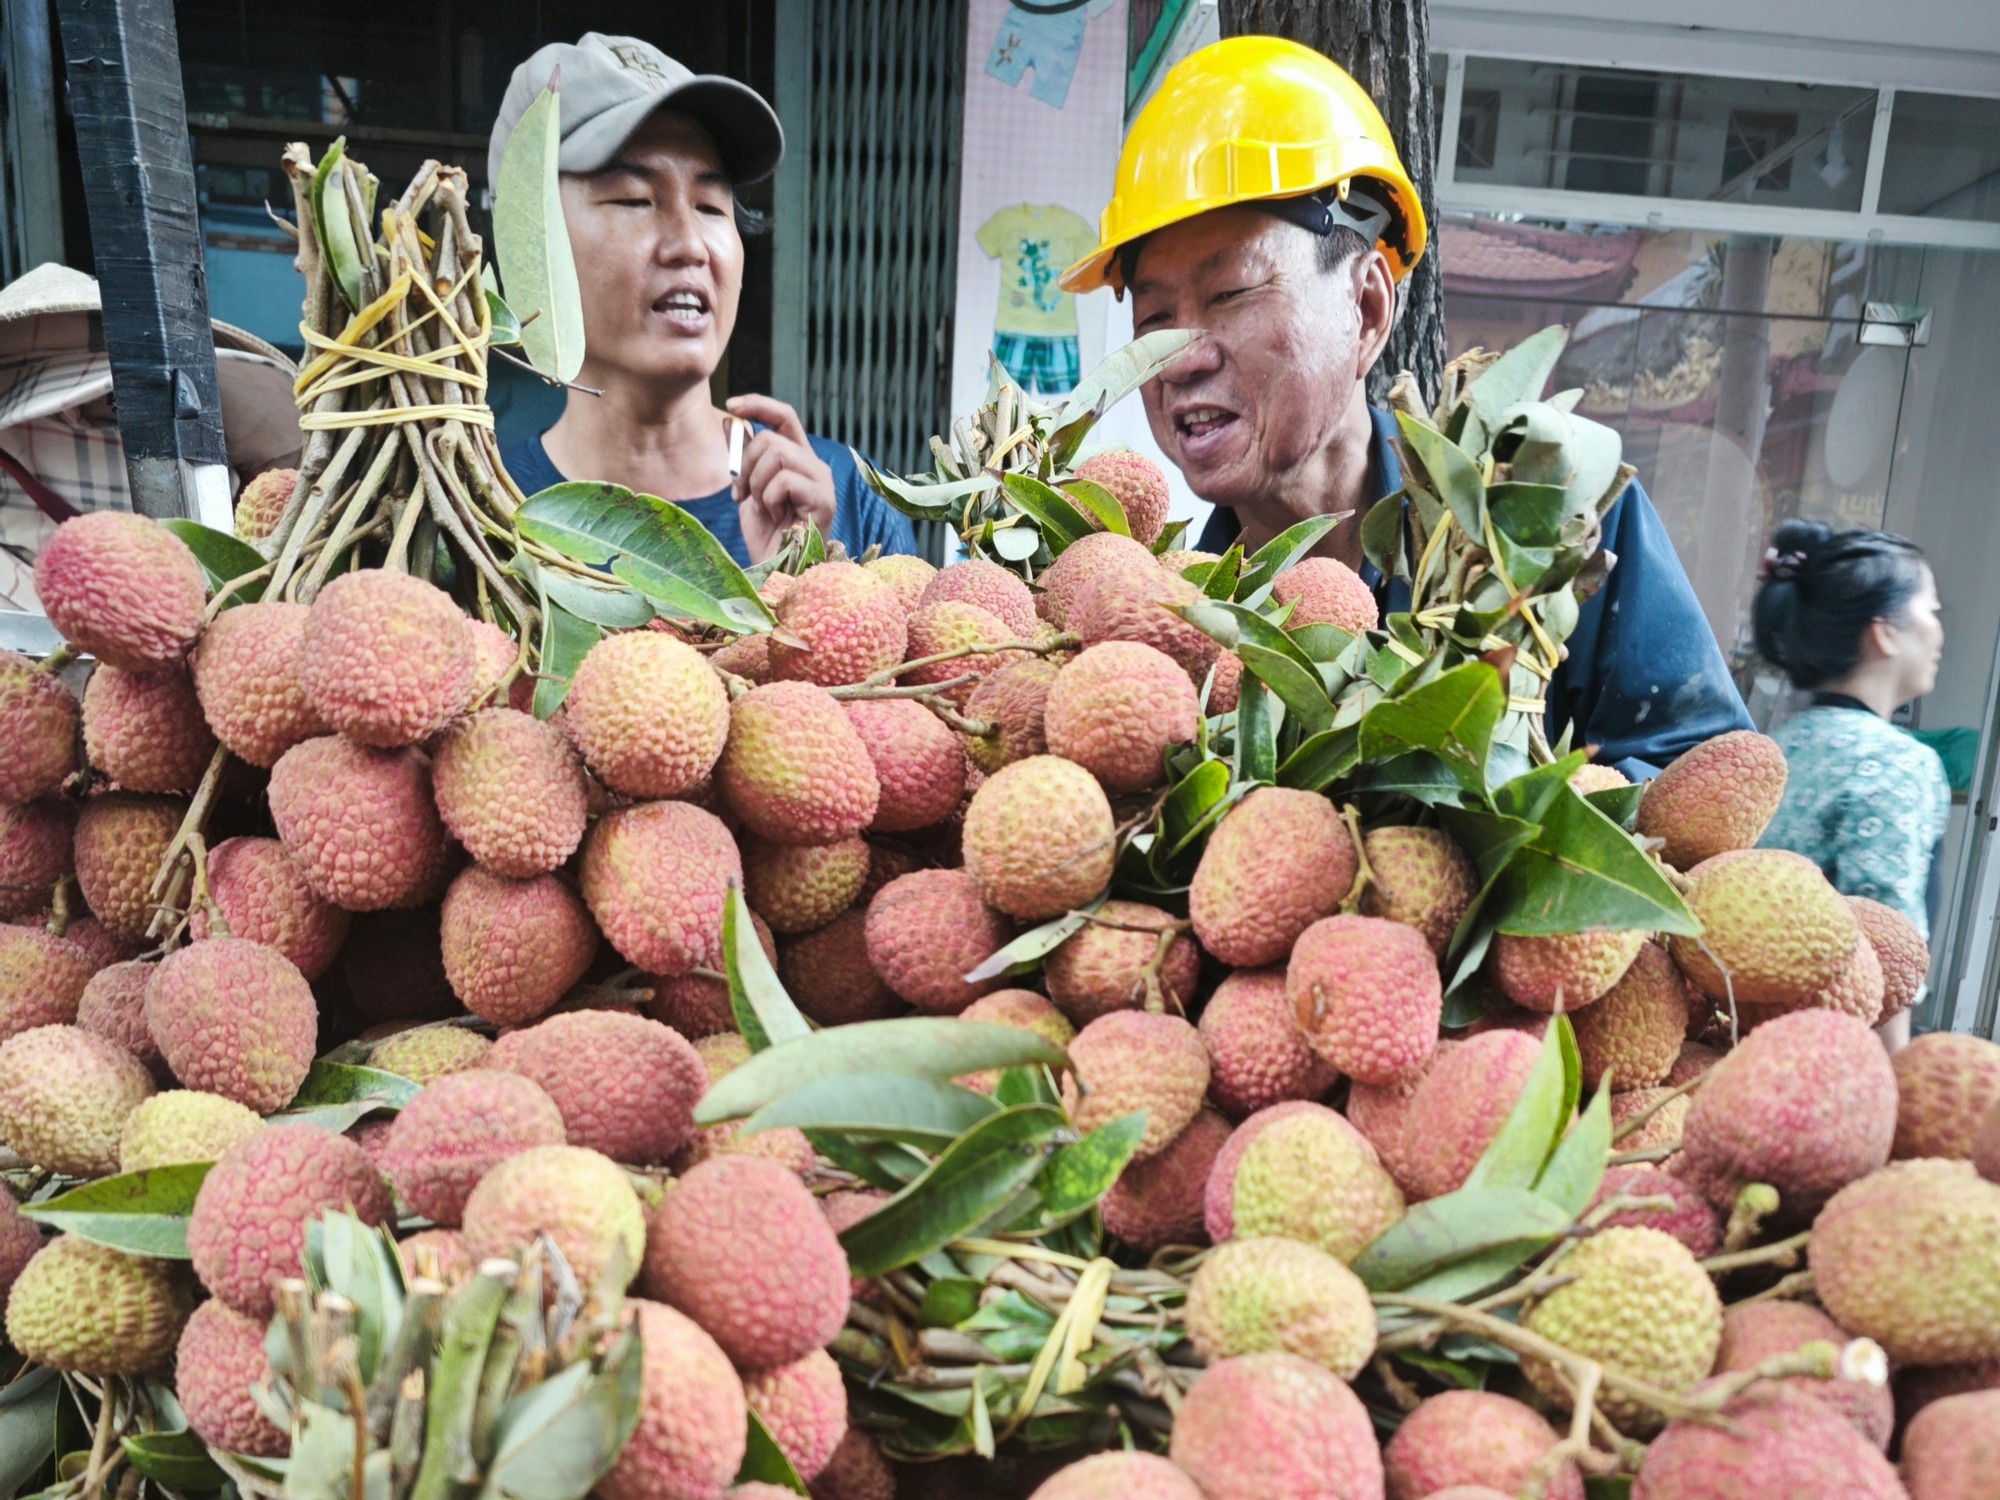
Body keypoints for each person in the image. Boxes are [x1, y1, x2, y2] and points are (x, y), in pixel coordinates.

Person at [1056, 36, 1752, 779]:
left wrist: (1519, 820)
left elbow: (1700, 780)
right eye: (1154, 321)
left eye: (1231, 295)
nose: (1183, 358)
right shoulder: (1179, 623)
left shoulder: (1551, 524)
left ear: (1365, 308)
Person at [489, 34, 914, 565]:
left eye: (712, 207)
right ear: (532, 241)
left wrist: (814, 577)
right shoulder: (482, 521)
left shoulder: (849, 503)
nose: (690, 245)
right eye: (634, 200)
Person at [1753, 519, 1950, 1047]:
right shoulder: (1898, 764)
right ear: (1883, 631)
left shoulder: (1773, 749)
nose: (1939, 632)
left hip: (1737, 1031)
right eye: (1931, 611)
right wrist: (1893, 1095)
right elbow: (1885, 948)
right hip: (1829, 1054)